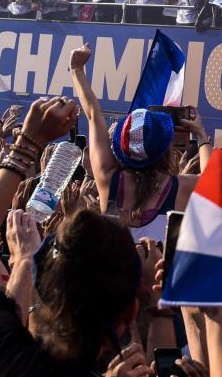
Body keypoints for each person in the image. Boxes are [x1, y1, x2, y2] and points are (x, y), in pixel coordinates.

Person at [0, 97, 222, 377]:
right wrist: (212, 309)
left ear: (45, 287)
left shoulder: (1, 350)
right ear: (130, 310)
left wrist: (27, 145)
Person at [69, 43, 209, 239]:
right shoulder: (180, 188)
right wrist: (201, 135)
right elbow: (213, 180)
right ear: (165, 149)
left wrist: (76, 69)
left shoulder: (109, 180)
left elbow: (93, 115)